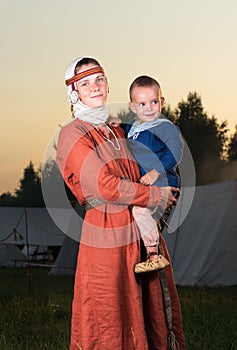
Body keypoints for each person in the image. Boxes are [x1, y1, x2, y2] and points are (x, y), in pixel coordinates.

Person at [56, 56, 186, 349]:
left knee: (148, 306)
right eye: (85, 83)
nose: (95, 87)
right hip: (106, 231)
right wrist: (155, 196)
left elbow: (149, 161)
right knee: (109, 312)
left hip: (140, 229)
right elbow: (104, 186)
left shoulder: (116, 130)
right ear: (74, 92)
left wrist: (163, 181)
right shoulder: (72, 133)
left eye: (99, 79)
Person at [121, 75, 184, 273]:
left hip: (164, 182)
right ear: (133, 107)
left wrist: (156, 171)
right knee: (136, 214)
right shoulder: (135, 129)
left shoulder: (165, 127)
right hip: (149, 185)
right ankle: (153, 236)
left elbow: (176, 151)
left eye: (154, 102)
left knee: (139, 211)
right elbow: (122, 129)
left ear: (162, 102)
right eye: (142, 104)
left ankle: (153, 255)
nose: (149, 108)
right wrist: (113, 122)